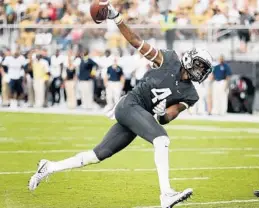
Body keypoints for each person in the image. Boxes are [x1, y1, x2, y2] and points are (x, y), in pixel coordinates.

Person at [28, 3, 213, 208]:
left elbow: (170, 115)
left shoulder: (191, 94)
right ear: (190, 58)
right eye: (199, 65)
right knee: (161, 140)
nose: (201, 71)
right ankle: (166, 194)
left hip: (140, 114)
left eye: (204, 69)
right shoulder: (169, 59)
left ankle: (49, 166)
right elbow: (135, 41)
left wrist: (163, 115)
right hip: (130, 104)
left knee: (97, 155)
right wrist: (117, 17)